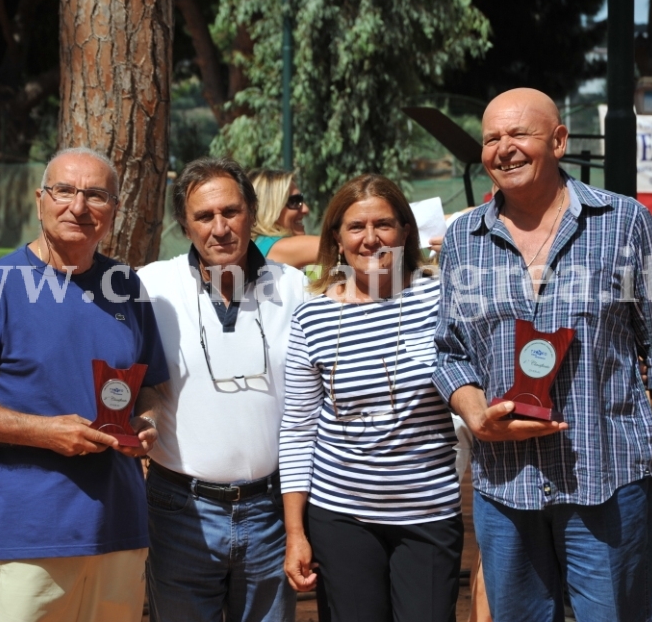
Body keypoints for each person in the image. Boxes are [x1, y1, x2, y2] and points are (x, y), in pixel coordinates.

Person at [433, 88, 652, 621]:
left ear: (559, 140)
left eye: (519, 134)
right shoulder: (463, 239)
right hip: (505, 484)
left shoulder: (623, 223)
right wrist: (474, 411)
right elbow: (449, 351)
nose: (503, 148)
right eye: (492, 138)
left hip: (607, 478)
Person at [0, 147, 170, 622]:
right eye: (65, 191)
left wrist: (148, 421)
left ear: (114, 210)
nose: (79, 207)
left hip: (120, 534)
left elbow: (152, 389)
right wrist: (45, 432)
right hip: (28, 539)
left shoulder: (127, 287)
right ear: (41, 199)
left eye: (96, 195)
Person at [280, 174, 463, 621]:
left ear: (405, 231)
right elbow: (299, 429)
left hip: (429, 512)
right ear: (336, 239)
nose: (370, 238)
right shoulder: (312, 316)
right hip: (340, 516)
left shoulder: (442, 297)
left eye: (383, 224)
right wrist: (295, 532)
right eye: (356, 227)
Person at [138, 157, 307, 622]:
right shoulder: (150, 286)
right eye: (204, 216)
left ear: (251, 213)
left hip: (272, 513)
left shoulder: (295, 288)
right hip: (179, 512)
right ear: (185, 225)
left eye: (230, 211)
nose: (220, 228)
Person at [249, 169, 320, 268]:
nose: (305, 209)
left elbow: (315, 279)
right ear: (270, 208)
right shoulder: (274, 246)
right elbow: (338, 246)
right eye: (295, 201)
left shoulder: (258, 246)